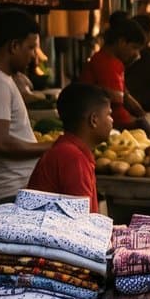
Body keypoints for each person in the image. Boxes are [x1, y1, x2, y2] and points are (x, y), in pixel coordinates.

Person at [0, 9, 51, 209]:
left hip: (8, 194)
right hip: (4, 196)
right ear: (14, 46)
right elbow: (2, 143)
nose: (33, 56)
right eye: (30, 48)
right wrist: (53, 146)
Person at [28, 82, 114, 210]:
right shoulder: (72, 158)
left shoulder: (70, 151)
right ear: (94, 120)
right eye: (108, 114)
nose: (112, 120)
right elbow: (80, 223)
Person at [82, 21, 150, 132]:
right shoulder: (105, 62)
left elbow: (124, 95)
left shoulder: (114, 62)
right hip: (112, 123)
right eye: (134, 48)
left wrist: (141, 113)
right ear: (121, 42)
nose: (136, 54)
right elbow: (117, 99)